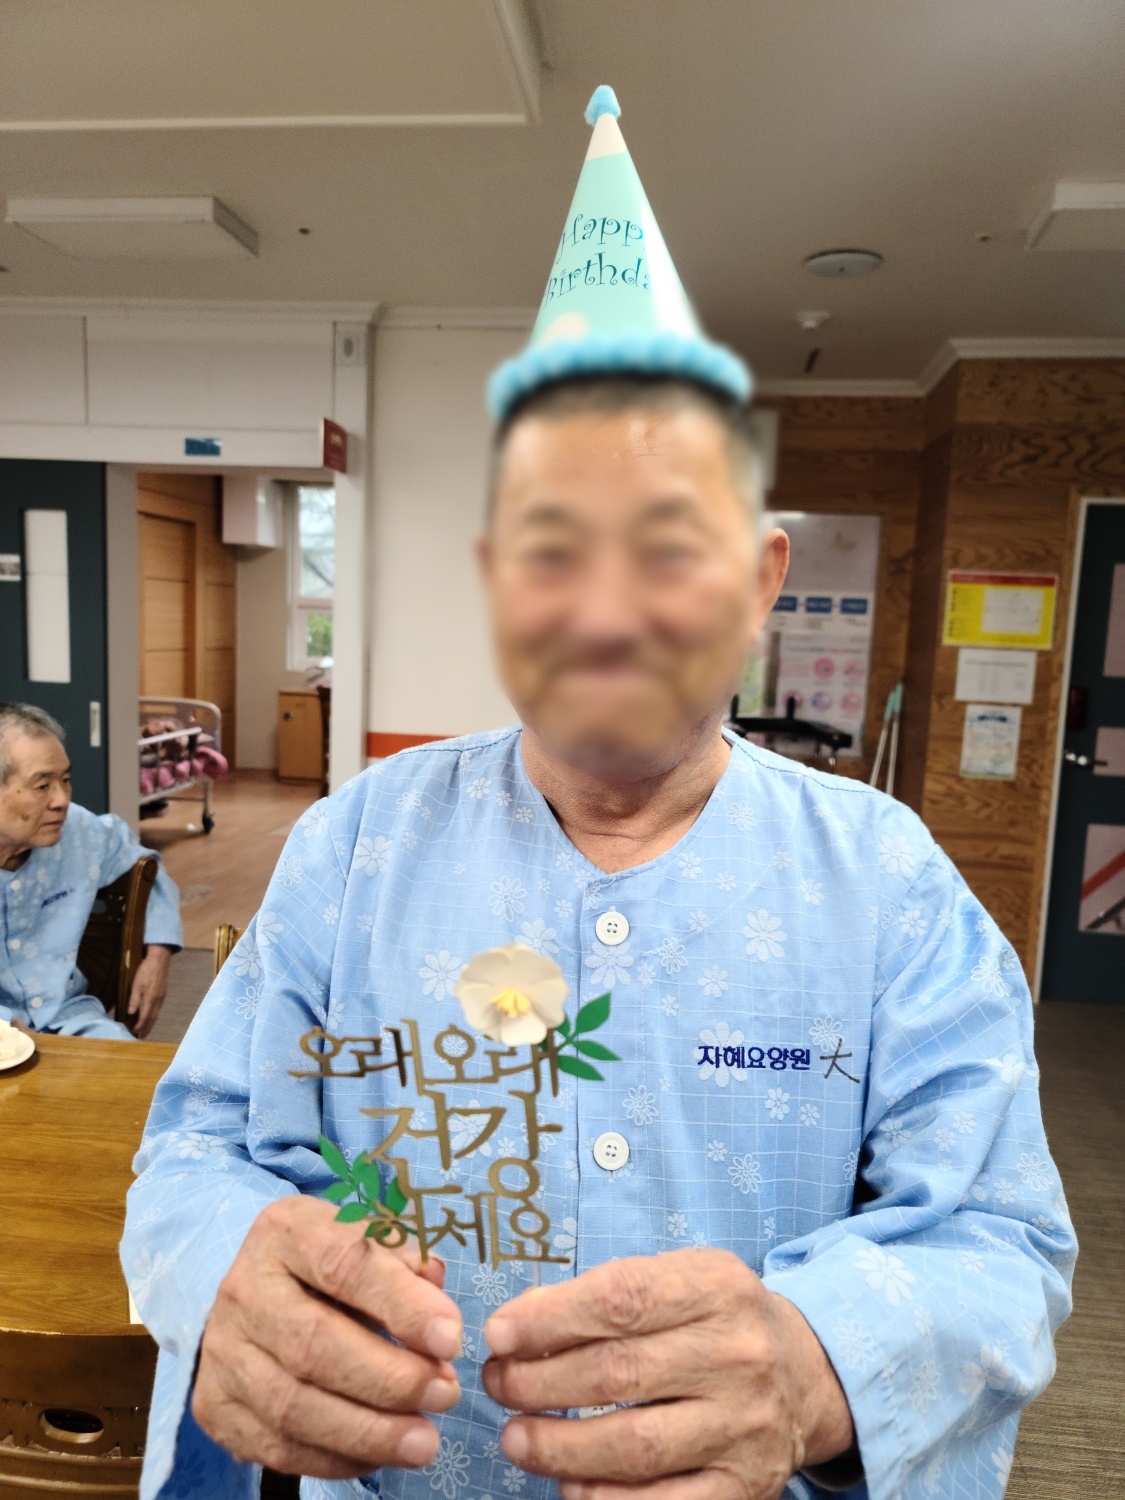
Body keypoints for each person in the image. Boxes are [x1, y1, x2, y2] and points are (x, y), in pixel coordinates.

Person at [122, 88, 1073, 1500]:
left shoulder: (887, 882)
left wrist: (822, 1362)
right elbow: (195, 1148)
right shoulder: (356, 846)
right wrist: (228, 1266)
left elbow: (1003, 1240)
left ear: (757, 582)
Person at [0, 702, 182, 1039]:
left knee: (129, 1066)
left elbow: (147, 870)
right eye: (42, 786)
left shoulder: (79, 830)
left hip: (70, 1018)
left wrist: (158, 955)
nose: (61, 800)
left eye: (65, 780)